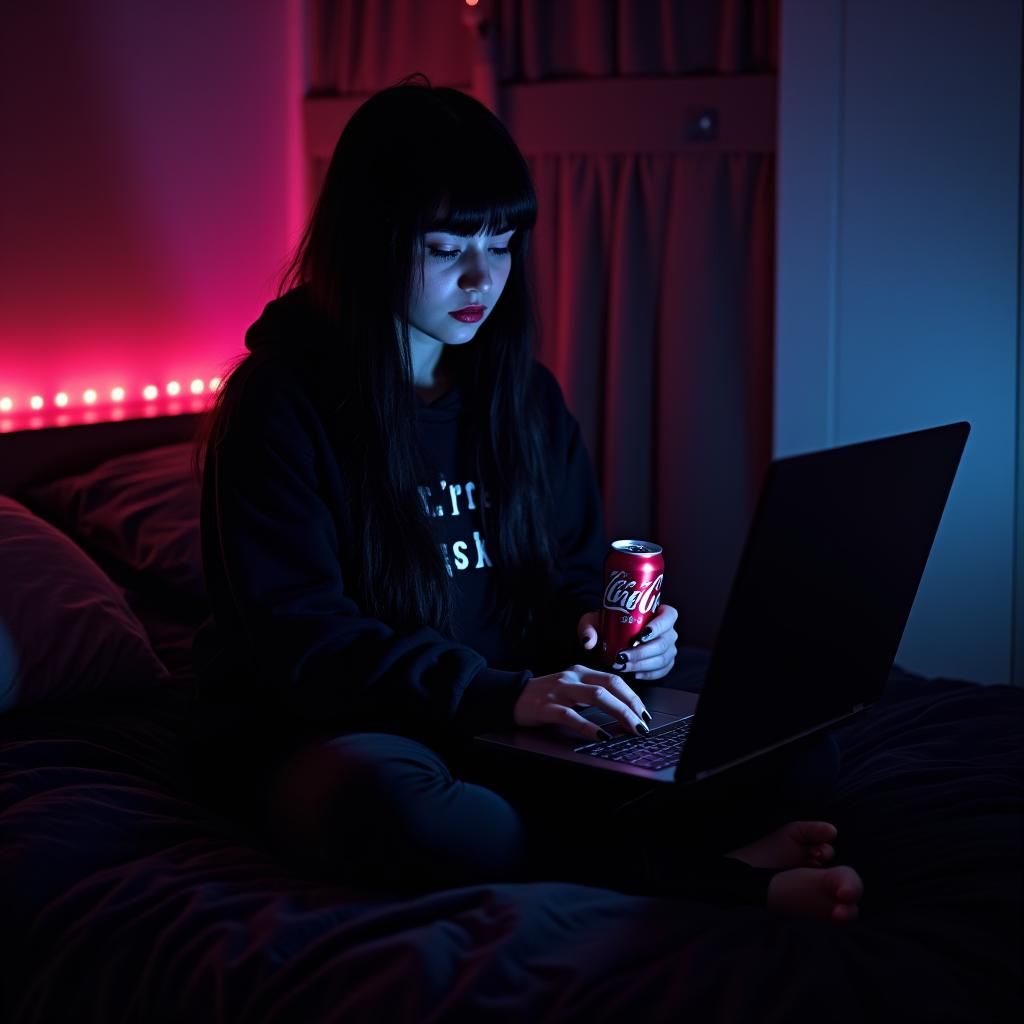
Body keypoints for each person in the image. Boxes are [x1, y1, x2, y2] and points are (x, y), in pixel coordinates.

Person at [189, 74, 863, 924]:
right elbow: (307, 645)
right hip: (341, 727)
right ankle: (716, 879)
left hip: (506, 714)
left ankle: (630, 841)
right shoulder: (280, 405)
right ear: (370, 240)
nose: (484, 277)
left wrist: (600, 629)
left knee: (797, 751)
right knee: (403, 808)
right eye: (447, 249)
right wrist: (501, 695)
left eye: (504, 244)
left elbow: (567, 571)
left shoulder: (522, 395)